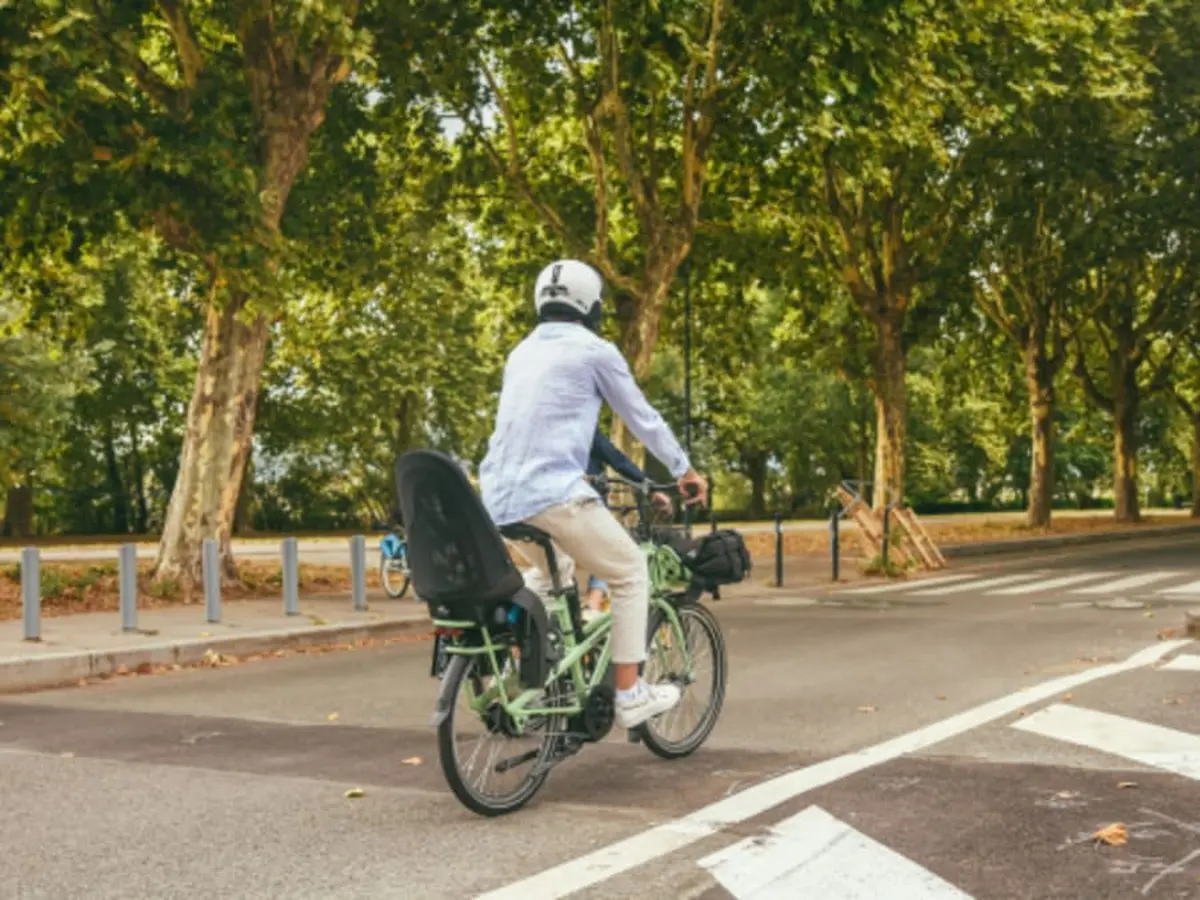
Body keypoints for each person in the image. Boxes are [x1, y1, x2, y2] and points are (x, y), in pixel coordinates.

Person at [478, 258, 708, 730]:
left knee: (552, 572)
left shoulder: (520, 353)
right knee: (628, 571)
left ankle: (516, 677)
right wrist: (684, 469)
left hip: (498, 500)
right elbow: (640, 417)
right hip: (553, 496)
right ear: (591, 306)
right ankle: (629, 694)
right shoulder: (595, 350)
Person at [582, 428, 672, 618]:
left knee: (551, 576)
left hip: (532, 507)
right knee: (614, 553)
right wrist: (650, 488)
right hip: (583, 506)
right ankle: (593, 605)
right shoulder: (584, 428)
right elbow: (617, 459)